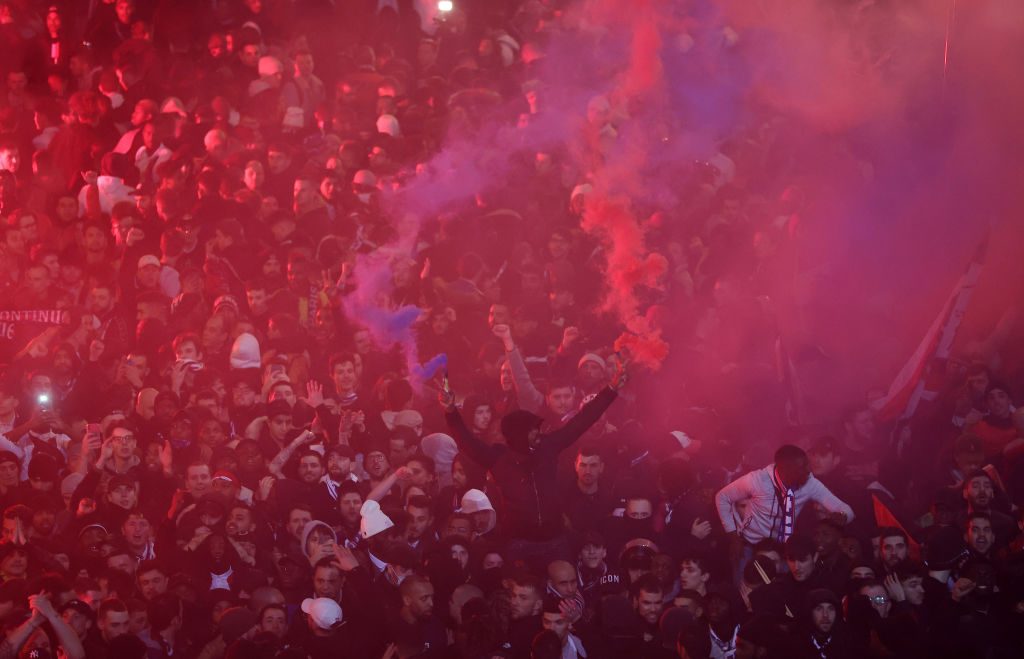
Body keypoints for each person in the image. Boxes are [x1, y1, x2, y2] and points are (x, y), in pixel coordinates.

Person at [716, 445, 854, 583]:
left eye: (807, 464)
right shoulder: (758, 480)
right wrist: (733, 537)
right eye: (802, 467)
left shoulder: (810, 483)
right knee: (745, 591)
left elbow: (845, 509)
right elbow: (722, 497)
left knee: (782, 591)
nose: (808, 470)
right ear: (785, 470)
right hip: (750, 546)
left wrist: (843, 515)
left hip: (782, 548)